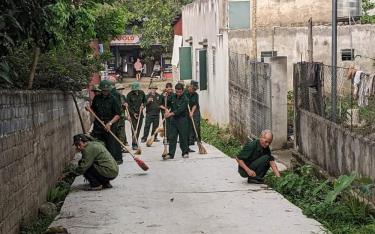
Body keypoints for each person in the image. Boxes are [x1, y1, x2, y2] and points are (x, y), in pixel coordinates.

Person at [90, 80, 123, 164]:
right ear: (101, 90)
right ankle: (99, 159)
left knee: (111, 143)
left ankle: (114, 160)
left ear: (109, 90)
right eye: (104, 90)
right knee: (96, 141)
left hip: (110, 124)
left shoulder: (113, 99)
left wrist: (110, 123)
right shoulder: (97, 98)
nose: (105, 92)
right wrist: (90, 111)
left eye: (107, 90)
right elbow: (93, 109)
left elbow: (118, 115)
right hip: (98, 124)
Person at [163, 83, 190, 159]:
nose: (178, 93)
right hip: (174, 120)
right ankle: (171, 154)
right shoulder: (173, 96)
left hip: (182, 120)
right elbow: (167, 103)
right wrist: (165, 96)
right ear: (175, 90)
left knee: (183, 137)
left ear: (182, 90)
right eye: (177, 92)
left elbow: (179, 110)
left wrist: (170, 114)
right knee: (172, 137)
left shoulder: (185, 99)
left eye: (180, 92)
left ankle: (185, 152)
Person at [126, 82, 146, 150]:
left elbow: (145, 101)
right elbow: (128, 106)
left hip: (140, 114)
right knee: (134, 129)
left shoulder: (142, 93)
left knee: (138, 129)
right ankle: (134, 144)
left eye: (136, 89)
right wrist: (133, 113)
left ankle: (136, 142)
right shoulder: (129, 95)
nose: (135, 91)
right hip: (133, 114)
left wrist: (143, 106)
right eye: (134, 90)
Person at [186, 80, 201, 153]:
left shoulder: (195, 94)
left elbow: (195, 104)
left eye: (194, 89)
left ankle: (198, 139)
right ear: (189, 87)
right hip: (187, 110)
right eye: (192, 89)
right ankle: (190, 140)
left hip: (195, 110)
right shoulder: (185, 93)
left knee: (196, 124)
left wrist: (192, 112)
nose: (192, 90)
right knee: (189, 125)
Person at [113, 83, 129, 148]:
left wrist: (126, 105)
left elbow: (125, 107)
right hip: (116, 118)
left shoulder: (123, 97)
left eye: (121, 89)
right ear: (116, 90)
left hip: (122, 117)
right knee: (117, 132)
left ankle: (123, 145)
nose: (120, 91)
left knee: (122, 131)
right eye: (119, 89)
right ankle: (119, 146)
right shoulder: (113, 98)